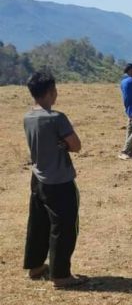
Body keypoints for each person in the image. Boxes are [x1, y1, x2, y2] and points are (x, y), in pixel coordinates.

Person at [23, 72, 87, 289]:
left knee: (38, 223)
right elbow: (76, 145)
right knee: (65, 226)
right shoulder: (57, 118)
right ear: (51, 92)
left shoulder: (28, 117)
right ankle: (60, 275)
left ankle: (35, 266)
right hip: (60, 181)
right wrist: (64, 143)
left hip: (38, 178)